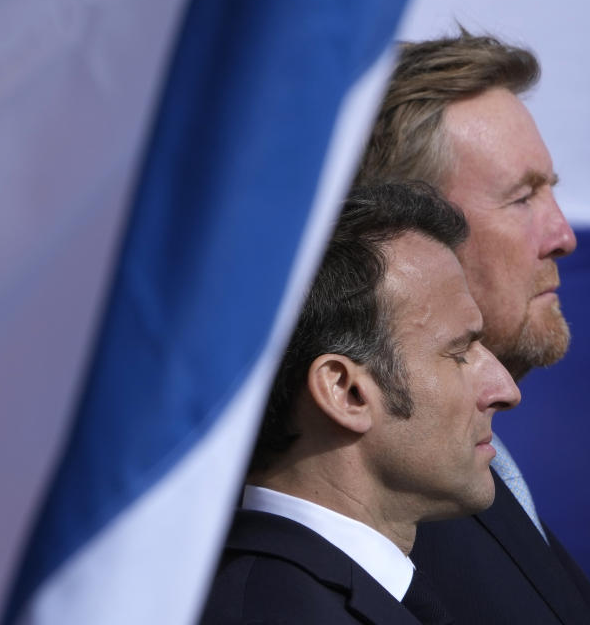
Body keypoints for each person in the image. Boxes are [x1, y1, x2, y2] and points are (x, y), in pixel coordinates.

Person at [356, 32, 590, 624]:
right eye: (523, 197)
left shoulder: (464, 471)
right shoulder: (368, 508)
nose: (564, 235)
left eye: (552, 189)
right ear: (409, 227)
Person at [199, 183, 521, 624]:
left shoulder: (316, 594)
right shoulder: (278, 612)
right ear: (345, 392)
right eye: (459, 352)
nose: (505, 389)